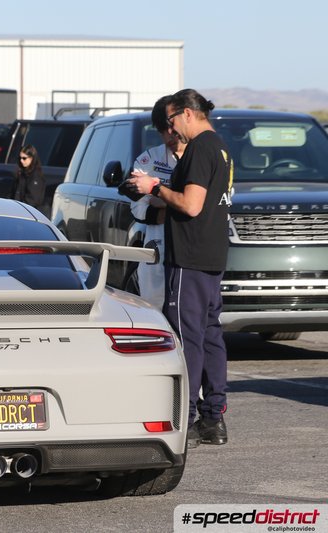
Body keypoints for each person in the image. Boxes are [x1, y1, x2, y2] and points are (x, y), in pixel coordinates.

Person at [128, 89, 233, 448]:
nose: (170, 130)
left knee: (187, 337)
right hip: (212, 254)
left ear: (187, 114)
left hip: (189, 255)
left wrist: (154, 185)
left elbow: (190, 205)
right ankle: (213, 417)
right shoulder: (220, 146)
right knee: (209, 333)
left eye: (171, 121)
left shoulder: (202, 148)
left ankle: (185, 417)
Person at [129, 95, 185, 309]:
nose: (168, 136)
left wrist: (160, 197)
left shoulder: (202, 158)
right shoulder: (149, 159)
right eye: (162, 130)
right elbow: (138, 206)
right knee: (153, 311)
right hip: (156, 249)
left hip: (191, 252)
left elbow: (198, 203)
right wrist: (175, 204)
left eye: (171, 128)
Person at [13, 144, 46, 213]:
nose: (21, 161)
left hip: (30, 213)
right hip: (18, 209)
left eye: (24, 158)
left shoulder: (36, 176)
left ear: (31, 158)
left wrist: (20, 209)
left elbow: (33, 199)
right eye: (20, 158)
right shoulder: (22, 172)